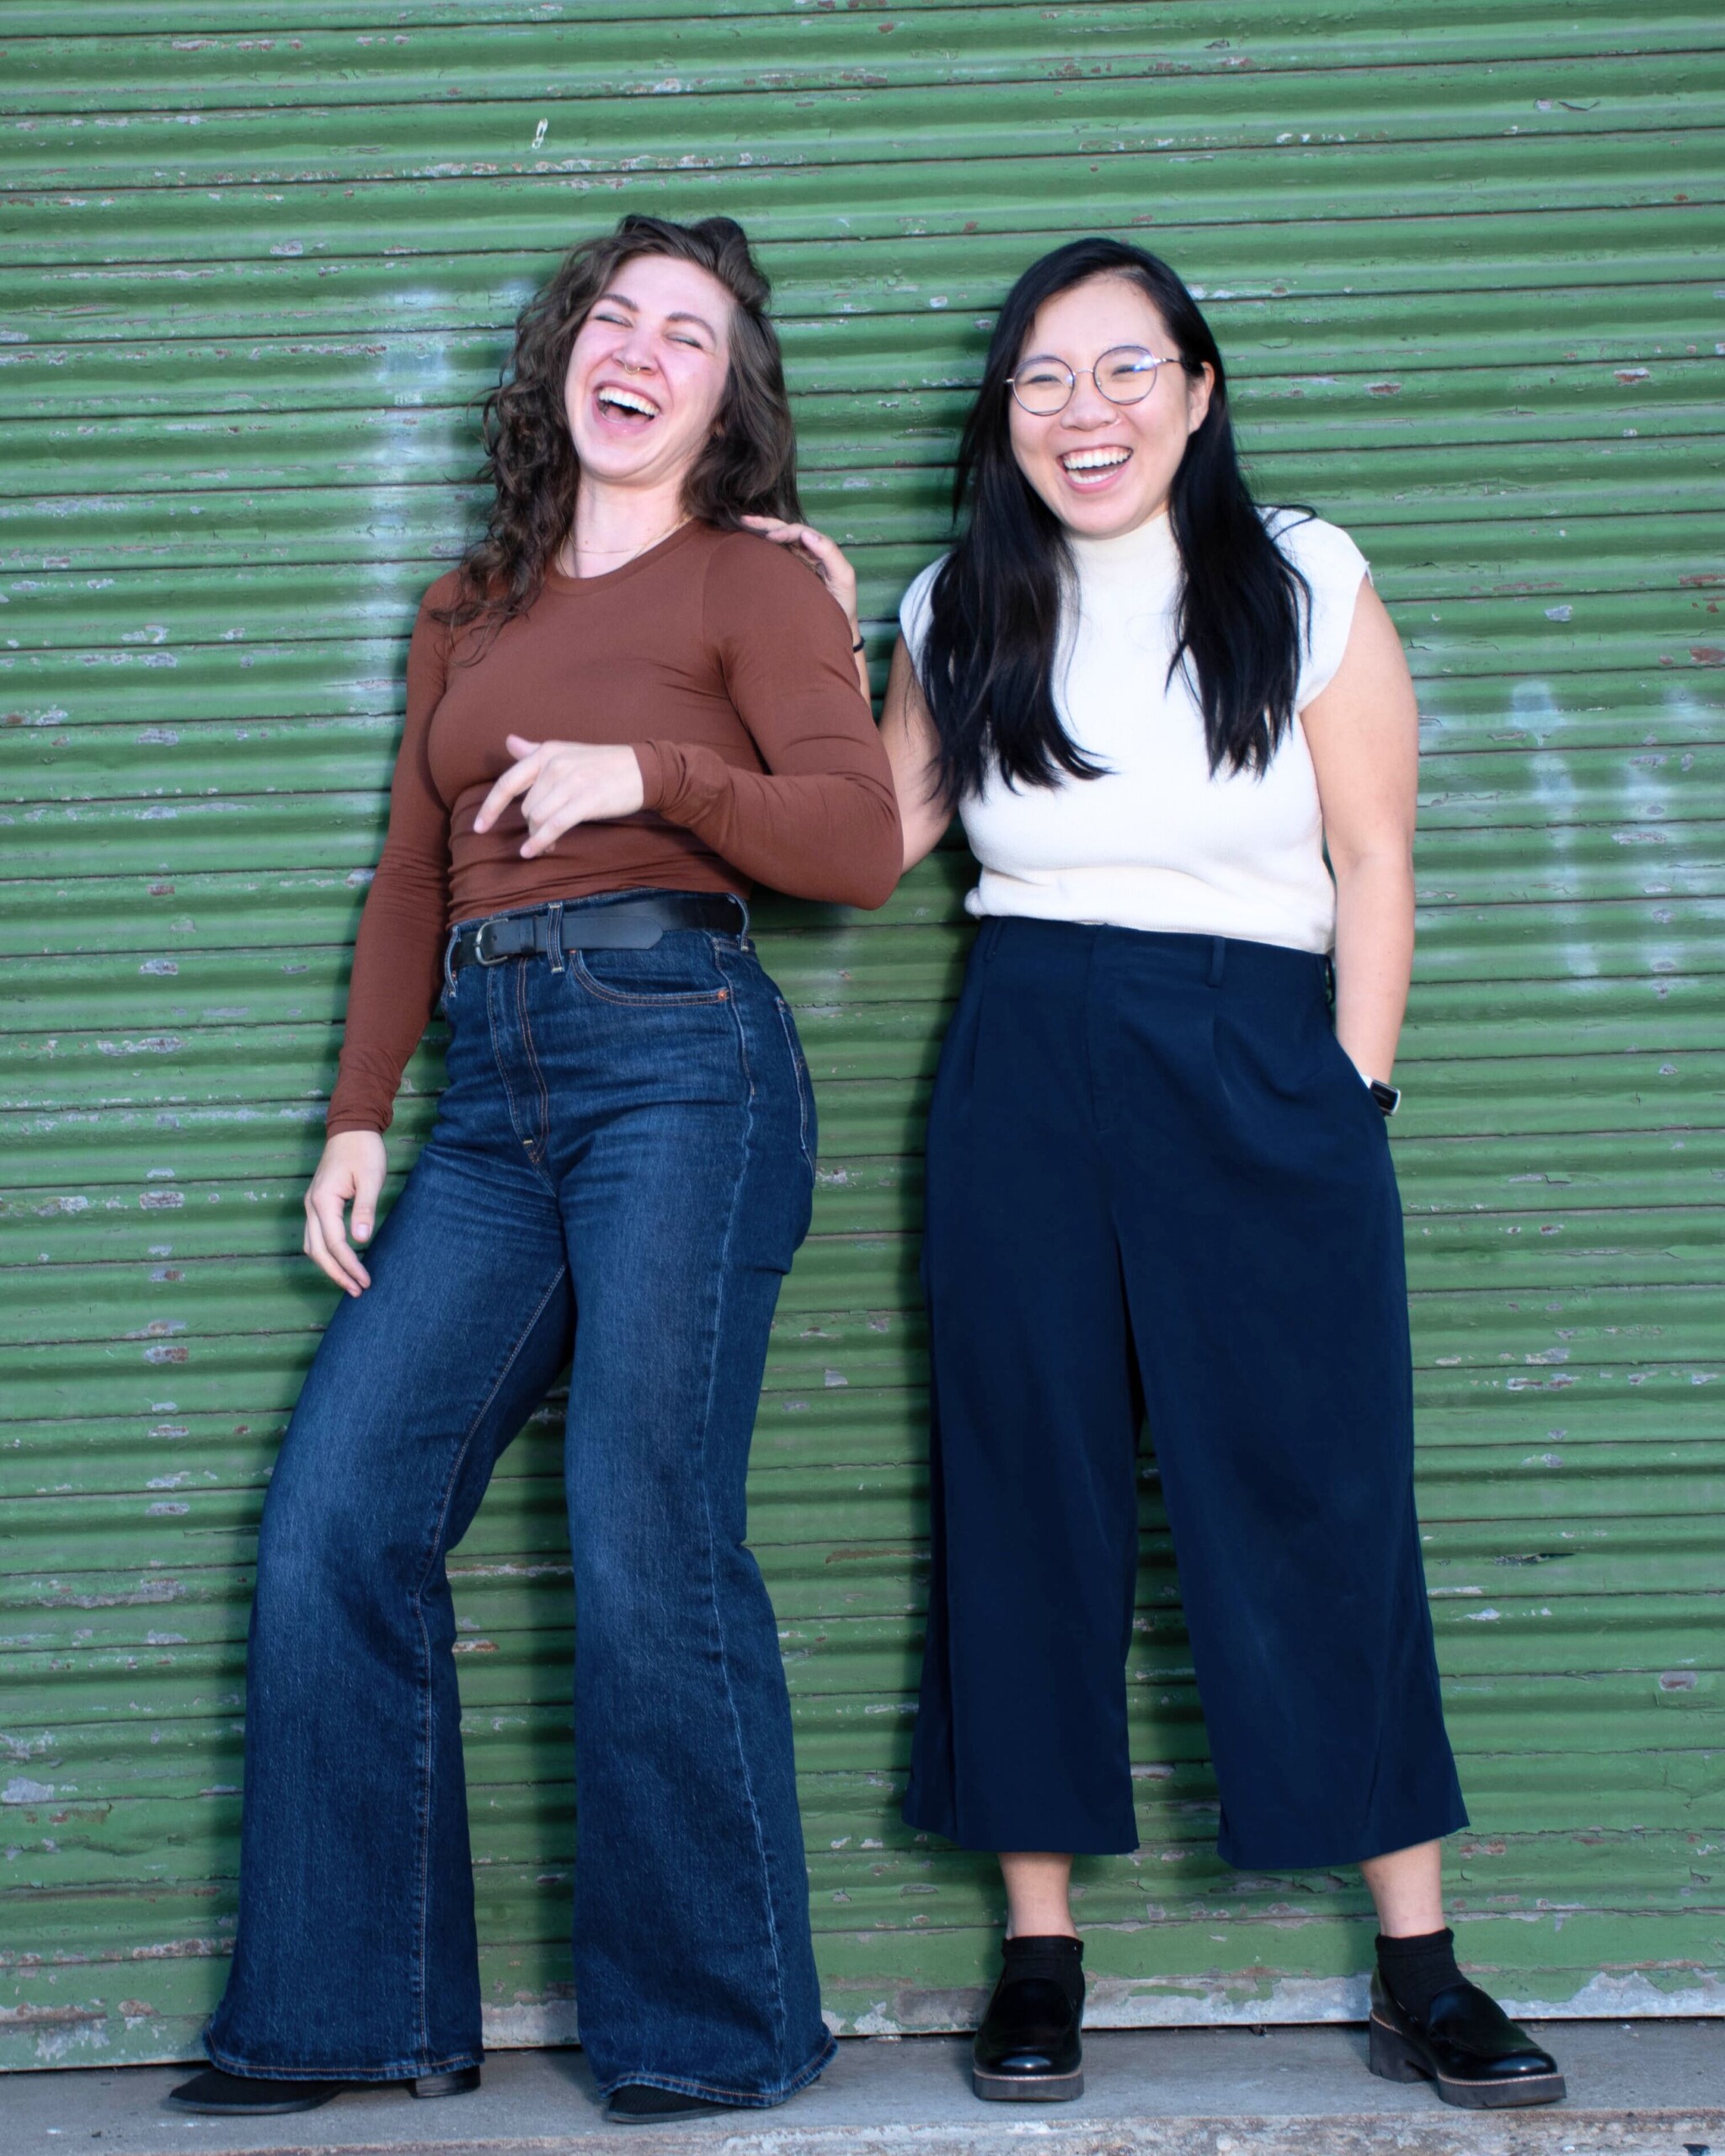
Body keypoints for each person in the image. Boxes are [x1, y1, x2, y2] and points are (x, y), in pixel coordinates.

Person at [751, 237, 1565, 2114]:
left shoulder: (1305, 575)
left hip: (1260, 1053)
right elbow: (862, 847)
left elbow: (1374, 857)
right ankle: (1040, 1950)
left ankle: (1418, 1961)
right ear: (1005, 416)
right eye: (1042, 377)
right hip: (1029, 1047)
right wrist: (816, 632)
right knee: (1023, 1482)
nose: (1082, 409)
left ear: (1195, 392)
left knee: (1319, 1487)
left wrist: (1346, 1095)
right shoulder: (967, 603)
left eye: (1123, 369)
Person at [168, 214, 900, 2124]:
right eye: (614, 311)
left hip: (681, 1067)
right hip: (492, 1109)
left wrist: (646, 779)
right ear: (564, 354)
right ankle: (344, 2011)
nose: (640, 343)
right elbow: (413, 870)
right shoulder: (468, 605)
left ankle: (711, 2030)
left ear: (726, 399)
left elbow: (854, 838)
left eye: (689, 330)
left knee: (643, 1536)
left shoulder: (754, 579)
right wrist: (356, 1109)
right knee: (339, 1515)